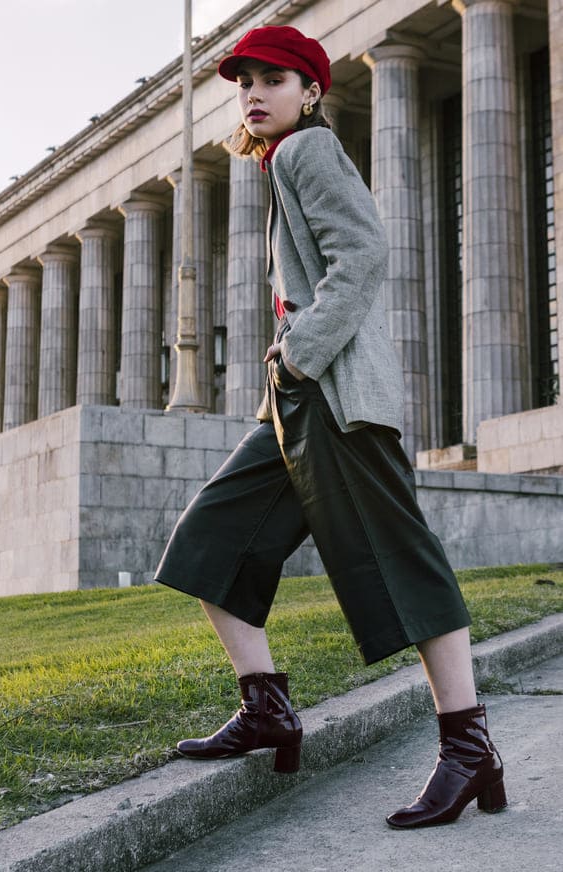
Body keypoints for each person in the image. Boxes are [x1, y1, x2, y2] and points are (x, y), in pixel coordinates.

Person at [154, 25, 507, 828]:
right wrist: (287, 371)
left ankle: (467, 747)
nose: (252, 93)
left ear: (310, 91)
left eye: (272, 79)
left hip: (336, 396)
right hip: (297, 402)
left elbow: (365, 254)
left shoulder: (309, 151)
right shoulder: (280, 164)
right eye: (243, 81)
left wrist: (299, 352)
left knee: (402, 566)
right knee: (212, 542)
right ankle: (267, 710)